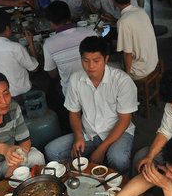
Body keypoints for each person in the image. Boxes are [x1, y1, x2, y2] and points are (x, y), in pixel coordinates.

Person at [44, 36, 137, 173]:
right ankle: (80, 179)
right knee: (52, 151)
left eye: (96, 61)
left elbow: (124, 121)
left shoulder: (122, 81)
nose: (91, 66)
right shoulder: (76, 79)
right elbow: (74, 113)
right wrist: (78, 137)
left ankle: (120, 186)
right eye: (86, 61)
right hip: (89, 134)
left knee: (118, 159)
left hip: (118, 133)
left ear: (106, 59)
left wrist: (101, 149)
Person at [0, 11, 39, 100]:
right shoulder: (16, 48)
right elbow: (34, 68)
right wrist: (31, 43)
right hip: (22, 96)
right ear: (7, 28)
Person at [43, 1, 97, 96]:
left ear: (51, 23)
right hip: (97, 87)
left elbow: (52, 74)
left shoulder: (48, 44)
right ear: (70, 16)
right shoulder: (90, 32)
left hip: (72, 94)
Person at [111, 0, 158, 80]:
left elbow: (127, 54)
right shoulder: (141, 11)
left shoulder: (123, 22)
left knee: (105, 65)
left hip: (140, 71)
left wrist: (127, 77)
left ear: (113, 0)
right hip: (152, 62)